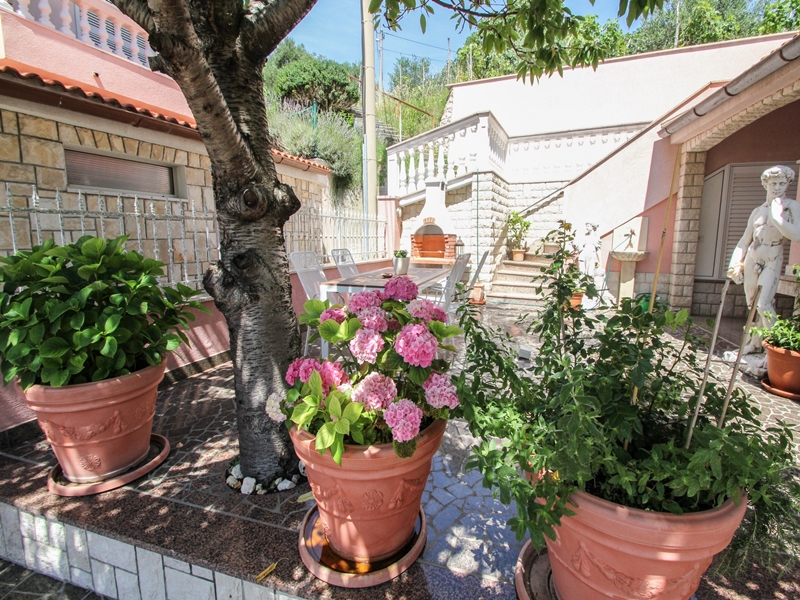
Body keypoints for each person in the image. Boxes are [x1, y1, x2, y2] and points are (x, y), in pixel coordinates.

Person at [727, 165, 799, 354]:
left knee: (763, 304)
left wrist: (777, 217)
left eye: (782, 183)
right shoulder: (757, 211)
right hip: (753, 257)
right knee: (753, 305)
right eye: (773, 183)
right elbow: (744, 240)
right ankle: (755, 342)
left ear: (787, 185)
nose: (777, 187)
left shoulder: (791, 207)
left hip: (772, 258)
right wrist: (735, 263)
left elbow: (797, 234)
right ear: (765, 184)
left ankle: (776, 349)